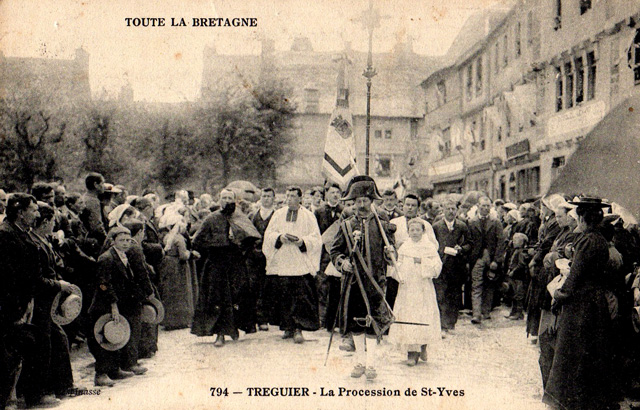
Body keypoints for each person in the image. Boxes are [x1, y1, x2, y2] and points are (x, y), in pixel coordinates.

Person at [543, 197, 618, 410]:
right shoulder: (599, 240)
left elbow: (575, 276)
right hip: (595, 303)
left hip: (580, 305)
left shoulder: (587, 240)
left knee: (572, 353)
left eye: (578, 218)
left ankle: (570, 401)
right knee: (591, 353)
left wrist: (559, 294)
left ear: (584, 218)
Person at [331, 176, 396, 381]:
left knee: (373, 323)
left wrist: (390, 253)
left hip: (376, 281)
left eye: (365, 201)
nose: (361, 205)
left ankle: (371, 365)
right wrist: (343, 263)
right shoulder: (346, 225)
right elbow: (335, 252)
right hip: (353, 282)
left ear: (371, 202)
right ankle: (359, 361)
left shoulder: (384, 226)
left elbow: (392, 256)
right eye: (357, 201)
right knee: (357, 323)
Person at [88, 226, 154, 387]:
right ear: (113, 241)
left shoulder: (122, 256)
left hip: (117, 301)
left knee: (116, 336)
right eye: (121, 240)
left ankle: (114, 369)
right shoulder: (107, 258)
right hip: (104, 304)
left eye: (128, 240)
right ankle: (101, 373)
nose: (125, 243)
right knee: (105, 338)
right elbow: (103, 284)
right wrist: (113, 304)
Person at [192, 189, 259, 346]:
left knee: (237, 295)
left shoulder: (240, 217)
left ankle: (234, 328)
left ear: (235, 201)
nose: (227, 201)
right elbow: (197, 241)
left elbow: (252, 239)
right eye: (224, 198)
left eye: (230, 198)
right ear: (219, 200)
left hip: (235, 264)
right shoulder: (211, 218)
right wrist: (218, 243)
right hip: (216, 264)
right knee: (218, 298)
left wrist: (241, 245)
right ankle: (220, 333)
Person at [262, 186, 322, 344]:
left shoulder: (308, 216)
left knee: (300, 297)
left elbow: (316, 239)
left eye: (293, 196)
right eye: (287, 196)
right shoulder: (278, 214)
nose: (289, 199)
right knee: (283, 296)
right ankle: (287, 327)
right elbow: (268, 235)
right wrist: (279, 237)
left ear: (300, 198)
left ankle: (298, 328)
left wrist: (303, 241)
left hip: (299, 262)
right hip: (282, 261)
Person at [389, 218, 443, 366]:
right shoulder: (404, 247)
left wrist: (422, 262)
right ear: (408, 231)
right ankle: (412, 352)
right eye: (411, 230)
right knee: (409, 315)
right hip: (408, 288)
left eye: (417, 230)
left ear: (423, 231)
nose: (414, 232)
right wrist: (397, 271)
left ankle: (423, 346)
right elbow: (398, 265)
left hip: (422, 287)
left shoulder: (429, 247)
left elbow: (437, 267)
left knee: (423, 315)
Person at [388, 194, 438, 310]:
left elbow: (433, 247)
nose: (410, 208)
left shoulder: (426, 225)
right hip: (398, 268)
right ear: (402, 206)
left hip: (418, 271)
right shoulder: (394, 223)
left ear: (418, 208)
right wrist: (397, 247)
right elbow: (387, 243)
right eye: (407, 205)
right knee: (395, 301)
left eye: (413, 205)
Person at [432, 200, 471, 332]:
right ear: (443, 210)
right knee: (441, 294)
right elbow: (432, 244)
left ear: (457, 210)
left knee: (454, 295)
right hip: (442, 265)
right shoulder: (436, 227)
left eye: (453, 209)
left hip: (456, 266)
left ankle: (451, 322)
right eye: (448, 208)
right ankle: (442, 323)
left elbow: (469, 243)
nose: (451, 211)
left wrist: (461, 248)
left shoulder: (462, 226)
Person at [468, 196, 505, 325]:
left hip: (491, 258)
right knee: (476, 285)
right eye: (483, 205)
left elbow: (501, 242)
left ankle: (486, 311)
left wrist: (496, 260)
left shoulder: (496, 222)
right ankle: (476, 314)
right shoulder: (472, 222)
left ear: (491, 207)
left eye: (487, 206)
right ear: (478, 206)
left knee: (490, 284)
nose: (485, 208)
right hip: (477, 258)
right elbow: (469, 241)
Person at [158, 214, 199, 330]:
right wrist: (192, 254)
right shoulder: (179, 238)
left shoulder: (167, 237)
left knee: (170, 292)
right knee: (181, 293)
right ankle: (180, 320)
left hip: (168, 265)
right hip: (178, 266)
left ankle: (169, 320)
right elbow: (183, 255)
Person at [314, 183, 344, 330]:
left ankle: (336, 320)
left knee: (336, 287)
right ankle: (321, 319)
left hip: (337, 255)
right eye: (332, 192)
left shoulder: (344, 211)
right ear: (326, 194)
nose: (335, 195)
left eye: (338, 193)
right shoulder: (319, 211)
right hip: (322, 254)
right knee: (321, 286)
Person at [248, 187, 276, 331]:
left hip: (271, 256)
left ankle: (266, 318)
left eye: (269, 196)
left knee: (268, 287)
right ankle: (254, 319)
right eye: (264, 196)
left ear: (273, 199)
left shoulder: (277, 216)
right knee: (254, 286)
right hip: (254, 257)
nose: (266, 199)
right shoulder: (253, 215)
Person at [504, 233, 530, 320]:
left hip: (519, 277)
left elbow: (521, 265)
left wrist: (513, 271)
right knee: (513, 294)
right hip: (514, 277)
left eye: (516, 240)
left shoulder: (522, 252)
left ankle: (519, 313)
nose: (514, 242)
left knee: (518, 295)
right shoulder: (515, 251)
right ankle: (513, 311)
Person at [82, 172, 108, 256]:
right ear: (96, 185)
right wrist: (107, 240)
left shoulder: (86, 198)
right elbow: (96, 226)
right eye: (102, 183)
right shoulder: (92, 201)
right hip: (95, 243)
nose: (104, 186)